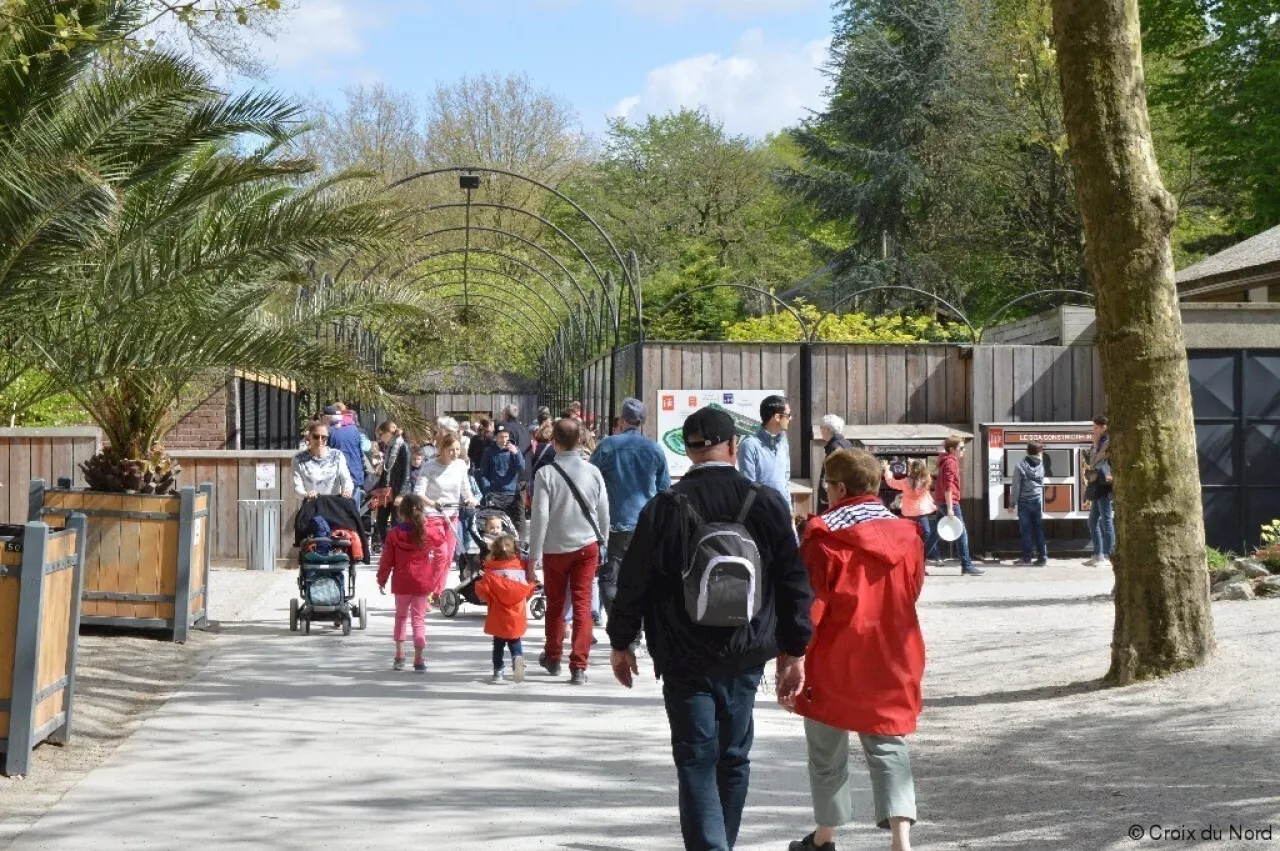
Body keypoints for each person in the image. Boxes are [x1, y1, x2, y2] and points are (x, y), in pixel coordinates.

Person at [607, 407, 813, 851]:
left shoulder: (664, 507)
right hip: (746, 649)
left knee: (695, 758)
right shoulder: (765, 502)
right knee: (733, 758)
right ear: (734, 447)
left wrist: (622, 642)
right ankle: (724, 844)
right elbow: (794, 579)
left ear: (688, 452)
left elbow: (634, 580)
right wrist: (794, 650)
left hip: (682, 653)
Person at [786, 449, 923, 851]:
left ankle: (825, 837)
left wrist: (792, 657)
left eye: (828, 485)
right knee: (888, 742)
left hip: (836, 654)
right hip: (894, 650)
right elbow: (912, 592)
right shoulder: (908, 534)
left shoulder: (823, 535)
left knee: (826, 749)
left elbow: (811, 605)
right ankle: (901, 840)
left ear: (840, 488)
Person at [529, 418, 609, 685]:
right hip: (587, 546)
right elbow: (603, 512)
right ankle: (579, 665)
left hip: (555, 548)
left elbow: (540, 517)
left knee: (555, 604)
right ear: (580, 441)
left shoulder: (545, 474)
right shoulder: (593, 472)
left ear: (554, 442)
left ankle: (553, 656)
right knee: (583, 604)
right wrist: (603, 541)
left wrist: (534, 557)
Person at [590, 397, 671, 620]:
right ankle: (635, 630)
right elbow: (664, 489)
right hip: (645, 524)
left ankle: (619, 625)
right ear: (642, 421)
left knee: (609, 577)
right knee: (641, 577)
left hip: (613, 521)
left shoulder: (607, 446)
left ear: (622, 419)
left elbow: (591, 481)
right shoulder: (655, 449)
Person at [376, 495, 449, 673]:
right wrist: (434, 576)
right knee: (419, 620)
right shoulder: (428, 532)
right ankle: (418, 659)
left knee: (400, 617)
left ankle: (399, 656)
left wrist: (382, 578)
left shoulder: (394, 534)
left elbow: (387, 559)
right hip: (422, 581)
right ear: (421, 511)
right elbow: (443, 553)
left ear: (401, 513)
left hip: (401, 581)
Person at [415, 432, 476, 594]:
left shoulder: (461, 465)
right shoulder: (429, 467)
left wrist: (470, 499)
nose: (455, 453)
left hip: (452, 514)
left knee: (448, 556)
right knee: (440, 554)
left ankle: (438, 592)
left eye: (458, 449)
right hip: (432, 514)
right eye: (451, 450)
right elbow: (419, 492)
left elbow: (465, 488)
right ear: (442, 449)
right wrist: (433, 503)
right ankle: (426, 589)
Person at [475, 534, 537, 685]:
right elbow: (527, 590)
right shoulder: (521, 568)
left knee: (498, 644)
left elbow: (483, 593)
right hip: (516, 614)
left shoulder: (490, 571)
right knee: (515, 642)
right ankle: (518, 666)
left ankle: (498, 670)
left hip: (498, 615)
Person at [926, 436, 984, 577]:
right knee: (961, 532)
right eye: (961, 448)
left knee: (936, 533)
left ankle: (917, 561)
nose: (963, 450)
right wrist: (951, 507)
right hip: (949, 502)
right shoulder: (951, 462)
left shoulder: (945, 460)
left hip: (942, 501)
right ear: (952, 450)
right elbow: (949, 486)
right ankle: (967, 565)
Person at [883, 460, 942, 567]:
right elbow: (924, 475)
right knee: (928, 534)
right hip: (921, 511)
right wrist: (917, 464)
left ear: (911, 470)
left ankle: (907, 558)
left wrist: (887, 470)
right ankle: (936, 557)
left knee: (909, 536)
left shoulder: (905, 482)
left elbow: (891, 482)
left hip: (909, 512)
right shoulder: (926, 480)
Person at [737, 395, 793, 508]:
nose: (790, 418)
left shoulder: (783, 441)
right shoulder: (749, 445)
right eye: (788, 415)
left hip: (782, 511)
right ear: (777, 417)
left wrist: (789, 509)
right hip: (761, 513)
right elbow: (749, 486)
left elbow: (786, 479)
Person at [479, 424, 527, 534]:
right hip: (495, 493)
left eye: (506, 436)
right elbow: (484, 473)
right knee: (496, 524)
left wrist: (516, 454)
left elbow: (521, 467)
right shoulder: (489, 451)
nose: (504, 440)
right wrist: (487, 490)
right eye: (501, 437)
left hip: (511, 493)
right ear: (496, 437)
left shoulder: (514, 450)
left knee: (511, 524)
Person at [373, 421, 412, 547]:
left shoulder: (403, 447)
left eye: (381, 434)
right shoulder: (389, 447)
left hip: (398, 490)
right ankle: (388, 547)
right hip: (386, 490)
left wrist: (401, 494)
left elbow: (406, 473)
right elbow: (388, 469)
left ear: (388, 433)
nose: (380, 438)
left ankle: (397, 550)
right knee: (380, 522)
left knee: (397, 523)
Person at [291, 421, 354, 499]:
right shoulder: (299, 459)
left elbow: (346, 478)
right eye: (316, 436)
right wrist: (306, 494)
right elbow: (297, 487)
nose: (320, 440)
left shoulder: (337, 455)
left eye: (323, 437)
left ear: (327, 438)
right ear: (309, 437)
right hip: (311, 505)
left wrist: (347, 490)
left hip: (333, 505)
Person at [1011, 442, 1048, 567]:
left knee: (1026, 530)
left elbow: (1016, 486)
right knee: (1038, 529)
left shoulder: (1020, 465)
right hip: (1037, 500)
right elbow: (1042, 483)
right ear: (1039, 452)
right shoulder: (1041, 465)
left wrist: (1012, 503)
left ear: (1027, 451)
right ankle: (1042, 557)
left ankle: (1027, 558)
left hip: (1024, 501)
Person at [1085, 415, 1114, 567]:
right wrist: (1094, 445)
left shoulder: (1109, 442)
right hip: (1096, 484)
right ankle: (1098, 554)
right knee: (1092, 521)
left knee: (1106, 520)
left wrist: (1096, 445)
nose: (1093, 430)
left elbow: (1098, 461)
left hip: (1105, 485)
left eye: (1096, 427)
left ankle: (1109, 555)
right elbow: (1090, 463)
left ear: (1104, 427)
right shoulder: (1098, 443)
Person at [324, 405, 366, 505]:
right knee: (354, 512)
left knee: (339, 514)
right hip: (355, 475)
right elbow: (360, 453)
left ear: (327, 417)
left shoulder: (330, 431)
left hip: (339, 479)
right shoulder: (354, 428)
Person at [817, 414, 853, 512]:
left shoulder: (835, 447)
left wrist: (825, 496)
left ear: (828, 429)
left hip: (834, 497)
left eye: (821, 427)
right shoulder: (846, 443)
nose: (820, 430)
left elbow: (832, 474)